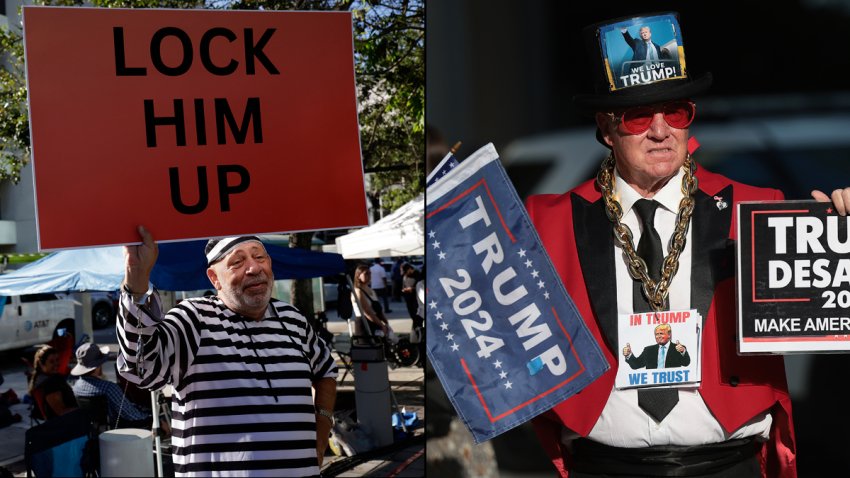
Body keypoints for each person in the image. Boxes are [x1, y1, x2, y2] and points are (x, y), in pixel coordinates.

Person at [525, 11, 850, 478]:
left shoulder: (759, 209)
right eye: (639, 115)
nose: (661, 130)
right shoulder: (546, 221)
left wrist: (838, 234)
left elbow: (829, 307)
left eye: (676, 111)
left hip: (729, 465)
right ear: (606, 126)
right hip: (604, 467)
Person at [117, 229, 338, 477]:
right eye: (237, 262)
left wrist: (322, 430)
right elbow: (141, 367)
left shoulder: (293, 319)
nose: (254, 268)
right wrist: (137, 279)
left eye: (260, 257)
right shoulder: (194, 318)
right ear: (214, 278)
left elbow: (326, 370)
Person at [70, 342, 158, 430]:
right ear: (97, 367)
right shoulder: (109, 388)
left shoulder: (76, 387)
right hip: (116, 431)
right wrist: (154, 419)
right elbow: (131, 415)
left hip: (91, 431)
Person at [28, 344, 77, 420]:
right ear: (41, 364)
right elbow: (61, 412)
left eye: (57, 360)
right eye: (51, 361)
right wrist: (83, 409)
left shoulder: (39, 377)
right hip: (64, 422)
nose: (56, 364)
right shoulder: (51, 383)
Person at [623, 324, 689, 369]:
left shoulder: (678, 349)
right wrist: (629, 355)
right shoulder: (648, 350)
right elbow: (636, 365)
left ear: (669, 335)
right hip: (652, 387)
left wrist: (682, 351)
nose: (658, 336)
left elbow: (686, 363)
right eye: (656, 334)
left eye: (661, 333)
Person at [352, 263, 390, 336]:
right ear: (358, 276)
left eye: (370, 273)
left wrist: (386, 323)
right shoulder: (357, 291)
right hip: (364, 325)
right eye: (366, 274)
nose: (369, 276)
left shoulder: (372, 291)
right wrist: (381, 325)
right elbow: (367, 312)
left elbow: (379, 310)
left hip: (375, 323)